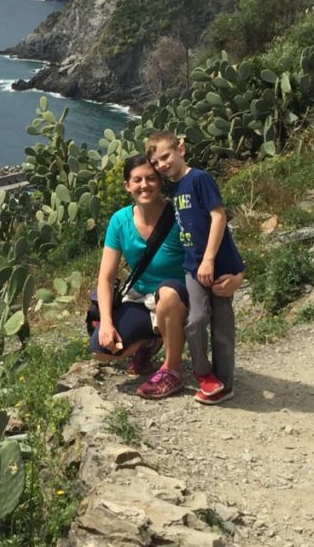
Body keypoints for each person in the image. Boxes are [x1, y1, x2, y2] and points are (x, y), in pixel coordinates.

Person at [92, 154, 241, 400]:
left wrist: (238, 276)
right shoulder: (120, 221)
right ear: (126, 185)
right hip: (142, 298)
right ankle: (150, 343)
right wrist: (106, 323)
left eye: (151, 178)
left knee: (168, 294)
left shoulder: (179, 215)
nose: (144, 185)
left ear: (161, 182)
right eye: (137, 180)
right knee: (102, 350)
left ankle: (171, 370)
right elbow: (106, 278)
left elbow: (220, 242)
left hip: (179, 296)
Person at [147, 130, 245, 405]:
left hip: (218, 264)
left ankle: (225, 383)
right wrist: (200, 263)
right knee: (197, 319)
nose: (162, 165)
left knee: (223, 325)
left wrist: (210, 259)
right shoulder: (176, 187)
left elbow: (219, 217)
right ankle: (204, 373)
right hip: (193, 267)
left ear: (181, 149)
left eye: (165, 156)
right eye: (156, 162)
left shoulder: (200, 179)